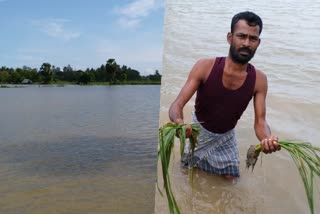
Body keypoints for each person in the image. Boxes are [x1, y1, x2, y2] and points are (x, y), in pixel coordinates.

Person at [168, 11, 280, 179]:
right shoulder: (204, 66)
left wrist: (267, 139)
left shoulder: (260, 80)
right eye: (241, 36)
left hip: (226, 138)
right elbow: (177, 105)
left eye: (252, 38)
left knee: (231, 181)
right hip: (198, 133)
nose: (246, 43)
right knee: (186, 174)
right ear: (230, 37)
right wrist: (179, 123)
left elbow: (260, 122)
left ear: (258, 42)